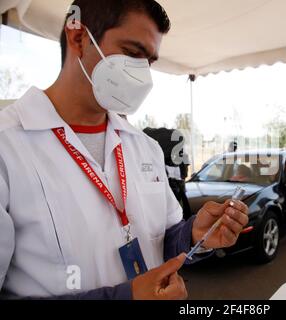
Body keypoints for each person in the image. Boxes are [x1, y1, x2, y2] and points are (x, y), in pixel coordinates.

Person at [0, 0, 249, 300]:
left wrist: (196, 234)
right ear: (78, 37)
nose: (142, 74)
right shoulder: (8, 146)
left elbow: (163, 240)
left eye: (150, 61)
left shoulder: (145, 147)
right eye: (132, 53)